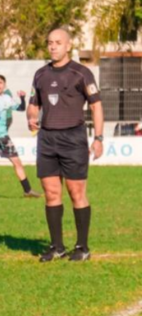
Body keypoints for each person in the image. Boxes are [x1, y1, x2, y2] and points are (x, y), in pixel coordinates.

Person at [28, 28, 104, 263]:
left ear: (68, 46)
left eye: (58, 43)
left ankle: (82, 246)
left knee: (76, 192)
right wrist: (31, 116)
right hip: (47, 139)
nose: (53, 47)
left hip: (73, 138)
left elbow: (96, 106)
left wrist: (99, 138)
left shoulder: (81, 73)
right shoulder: (40, 74)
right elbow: (33, 104)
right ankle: (57, 246)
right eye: (50, 42)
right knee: (51, 193)